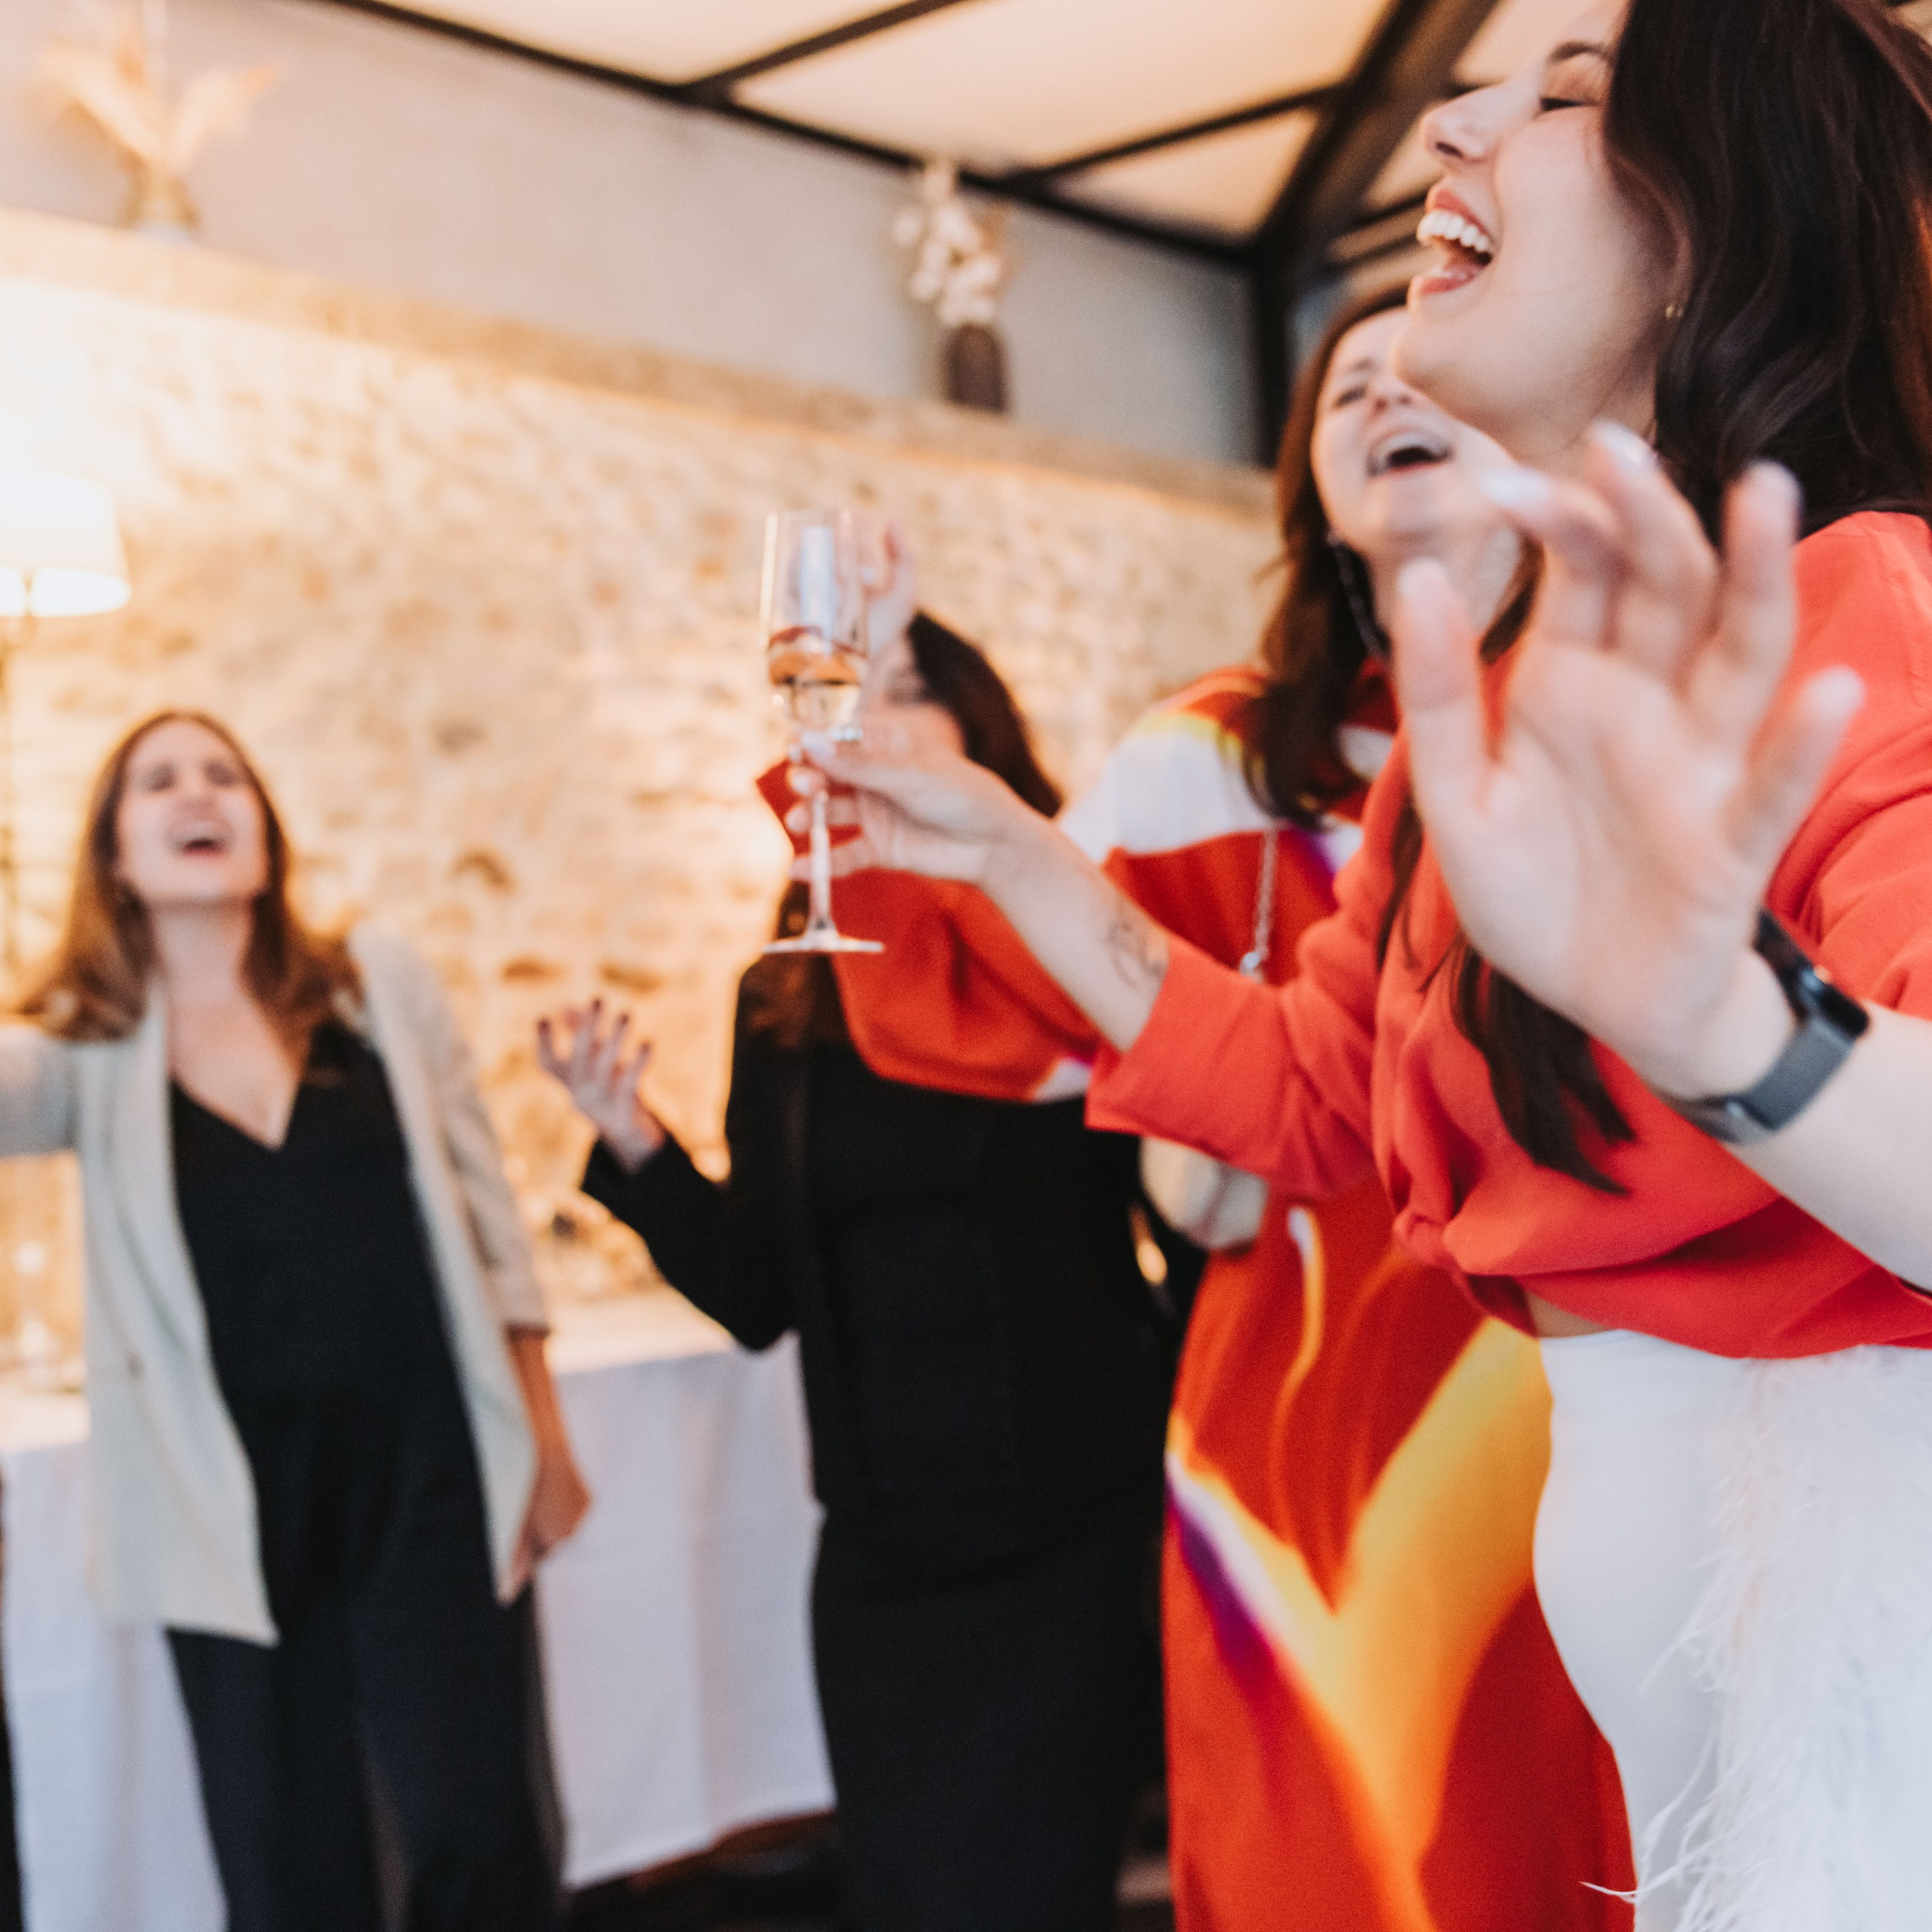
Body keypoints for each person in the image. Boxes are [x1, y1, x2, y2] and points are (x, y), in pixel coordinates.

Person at [801, 3, 1932, 1925]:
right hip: (1652, 1614)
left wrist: (1726, 1023)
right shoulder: (1479, 703)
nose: (1456, 118)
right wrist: (1016, 863)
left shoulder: (1865, 608)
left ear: (1724, 226)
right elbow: (1317, 1087)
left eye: (1565, 93)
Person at [807, 294, 1631, 1930]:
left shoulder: (1631, 706)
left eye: (1424, 367)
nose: (1387, 386)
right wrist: (879, 691)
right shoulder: (1209, 763)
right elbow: (1003, 993)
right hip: (1309, 1418)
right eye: (1345, 391)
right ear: (1313, 498)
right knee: (1350, 1848)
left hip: (1603, 1395)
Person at [537, 617, 1171, 1932]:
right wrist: (634, 1139)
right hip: (884, 1566)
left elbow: (1176, 1220)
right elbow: (759, 1292)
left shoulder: (1066, 950)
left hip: (1069, 1545)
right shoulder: (788, 998)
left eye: (897, 694)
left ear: (978, 736)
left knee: (1039, 1901)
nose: (855, 727)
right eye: (838, 706)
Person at [0, 711, 590, 1932]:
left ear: (265, 828)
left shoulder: (378, 987)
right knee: (289, 1860)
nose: (198, 794)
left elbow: (492, 1231)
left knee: (475, 1831)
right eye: (158, 781)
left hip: (429, 1475)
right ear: (115, 854)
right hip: (225, 1506)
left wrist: (543, 1438)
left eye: (225, 774)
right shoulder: (85, 1053)